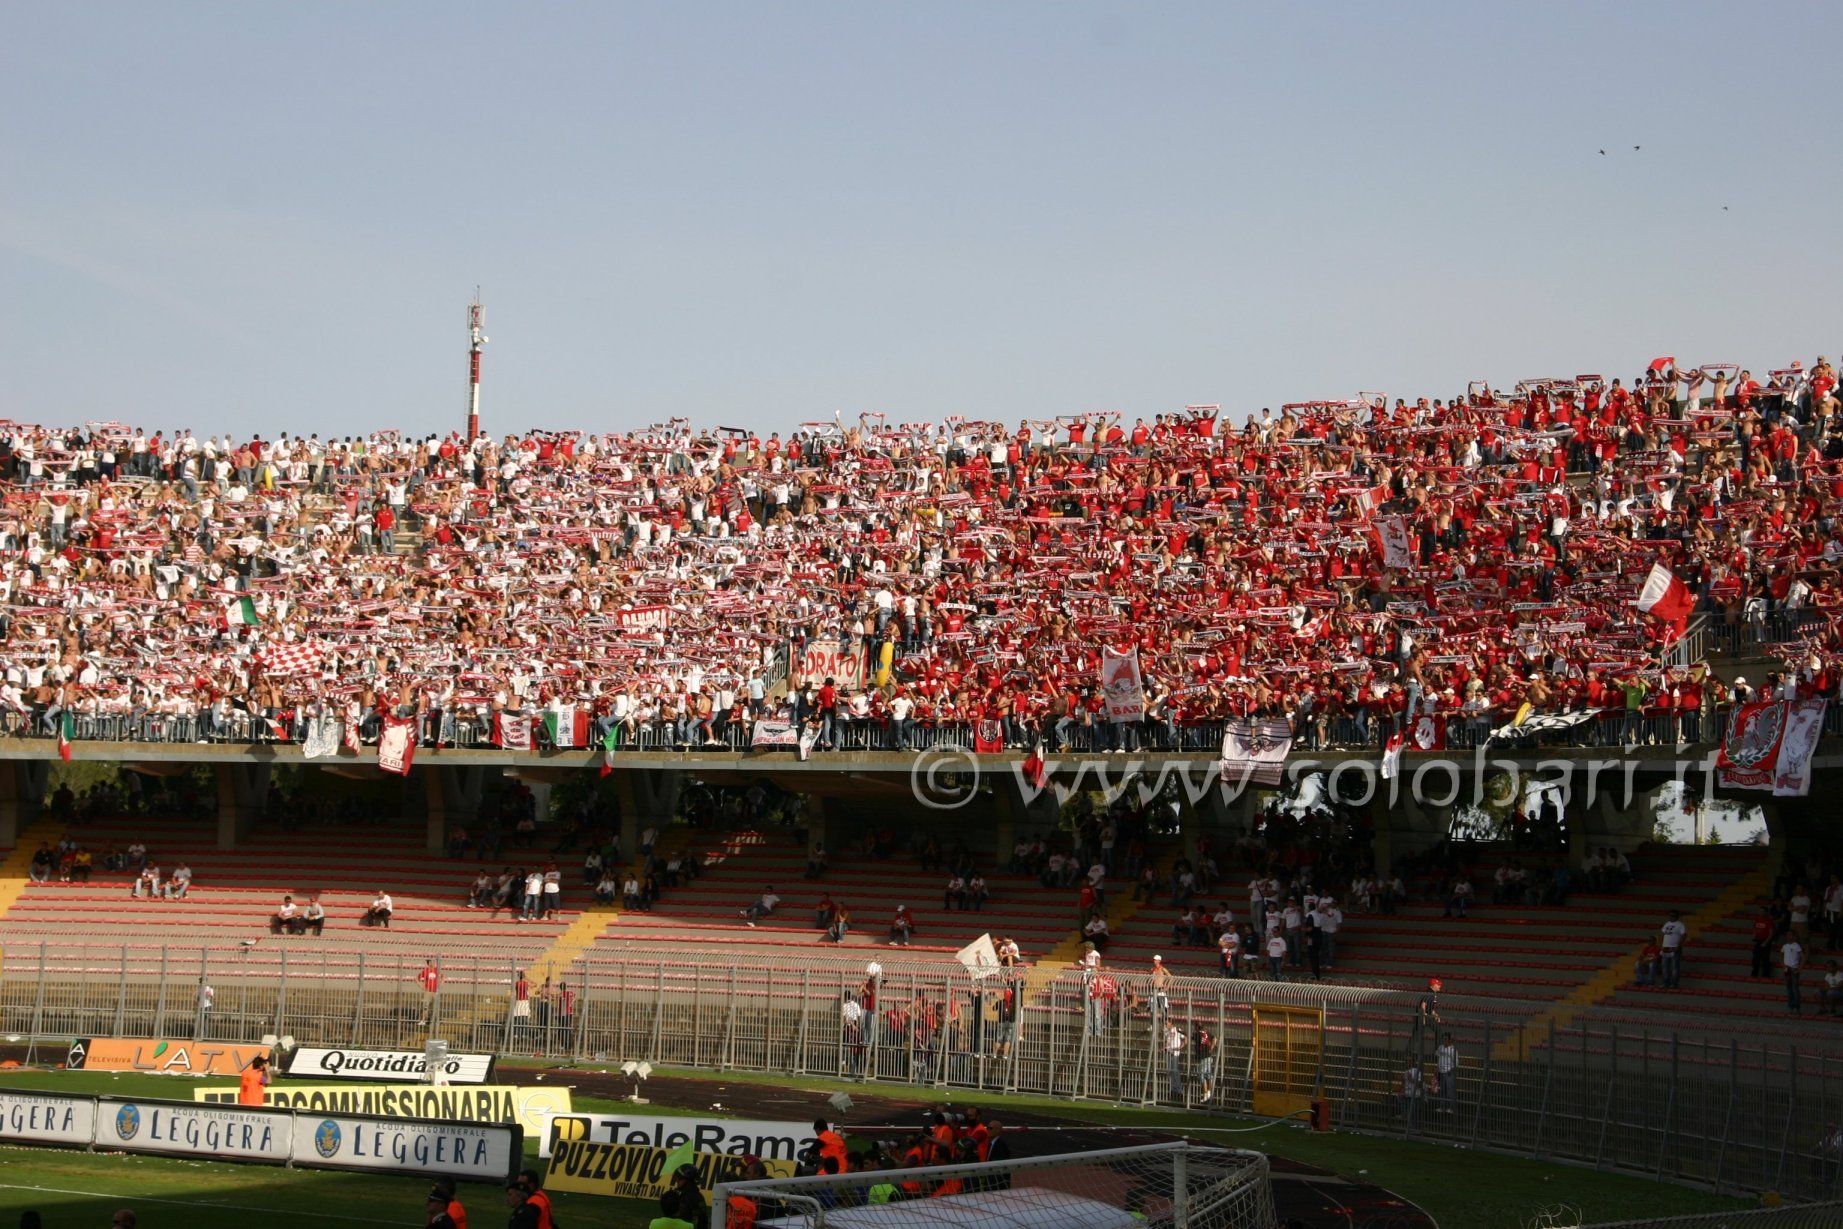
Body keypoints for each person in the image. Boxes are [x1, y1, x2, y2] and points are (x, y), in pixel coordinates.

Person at [1659, 909, 1687, 989]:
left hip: (1674, 947)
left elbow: (1684, 935)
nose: (1671, 917)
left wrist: (1679, 945)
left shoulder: (1680, 925)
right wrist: (1661, 945)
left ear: (1677, 916)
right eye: (1670, 915)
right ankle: (1665, 983)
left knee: (1674, 967)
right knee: (1665, 966)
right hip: (1665, 947)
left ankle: (1674, 983)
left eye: (1673, 915)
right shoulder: (1666, 924)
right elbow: (1662, 934)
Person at [1784, 934, 1806, 1014]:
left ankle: (1797, 1007)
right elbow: (1781, 956)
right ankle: (1791, 1007)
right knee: (1789, 989)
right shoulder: (1785, 946)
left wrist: (1800, 967)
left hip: (1794, 969)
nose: (1788, 937)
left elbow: (1803, 957)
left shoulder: (1797, 946)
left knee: (1795, 989)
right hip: (1787, 970)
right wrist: (1783, 965)